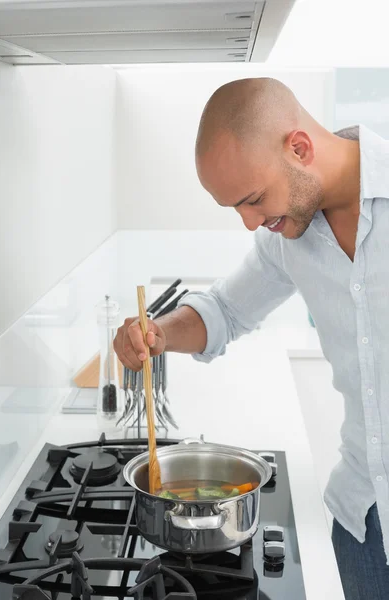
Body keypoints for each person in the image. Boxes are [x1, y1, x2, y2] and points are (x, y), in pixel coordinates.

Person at [113, 77, 389, 600]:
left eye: (254, 199)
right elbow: (224, 309)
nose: (250, 223)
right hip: (363, 524)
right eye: (235, 208)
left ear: (300, 148)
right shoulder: (288, 235)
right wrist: (157, 333)